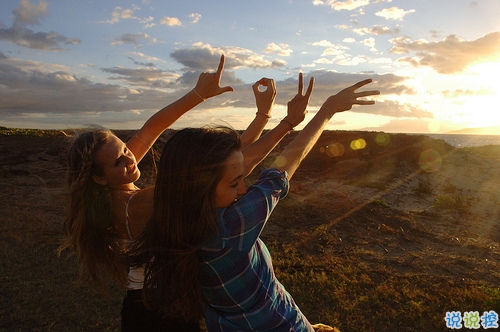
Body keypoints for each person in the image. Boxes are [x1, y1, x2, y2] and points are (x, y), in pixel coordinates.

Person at [129, 74, 380, 331]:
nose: (243, 189)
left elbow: (236, 164)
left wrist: (283, 121)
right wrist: (327, 110)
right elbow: (281, 170)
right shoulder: (230, 228)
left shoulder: (171, 216)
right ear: (200, 189)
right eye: (234, 182)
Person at [61, 55, 283, 331]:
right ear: (99, 177)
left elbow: (151, 128)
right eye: (119, 161)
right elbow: (226, 163)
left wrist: (199, 94)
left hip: (138, 304)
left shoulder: (107, 194)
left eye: (125, 149)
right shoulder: (138, 203)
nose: (131, 159)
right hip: (166, 309)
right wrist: (269, 119)